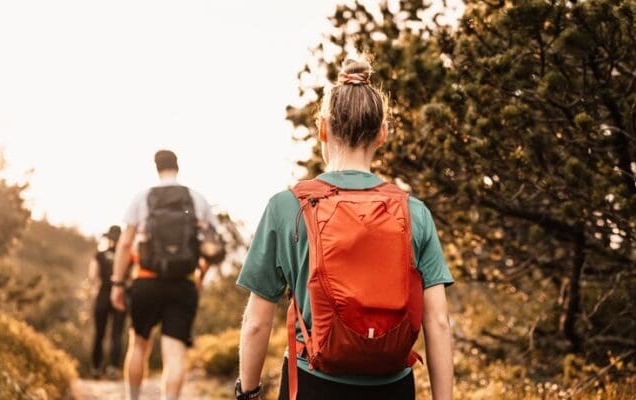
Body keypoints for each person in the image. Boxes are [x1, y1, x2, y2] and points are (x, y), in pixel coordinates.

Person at [236, 58, 455, 400]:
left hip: (312, 384)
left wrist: (246, 393)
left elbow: (256, 323)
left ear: (323, 128)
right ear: (382, 133)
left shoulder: (287, 206)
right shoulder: (414, 212)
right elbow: (438, 323)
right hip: (392, 387)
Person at [110, 150, 218, 400]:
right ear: (177, 167)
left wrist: (117, 282)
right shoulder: (196, 198)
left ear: (156, 168)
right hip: (183, 283)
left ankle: (133, 398)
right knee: (175, 352)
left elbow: (125, 243)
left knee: (138, 344)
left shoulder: (143, 197)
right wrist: (200, 276)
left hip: (146, 280)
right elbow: (213, 246)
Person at [88, 225, 128, 379]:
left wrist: (101, 286)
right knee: (117, 334)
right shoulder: (127, 256)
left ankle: (96, 368)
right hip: (121, 296)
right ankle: (113, 368)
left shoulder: (99, 255)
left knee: (99, 333)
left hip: (103, 296)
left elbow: (93, 275)